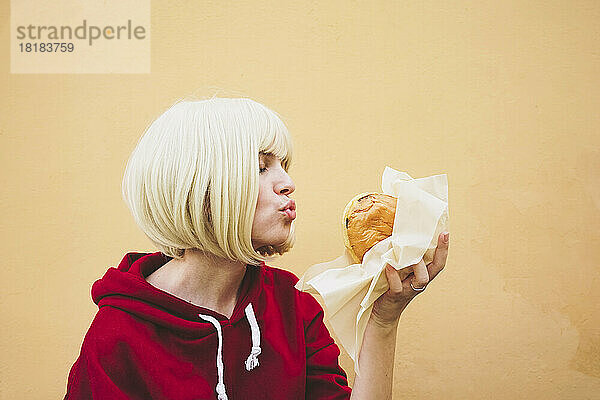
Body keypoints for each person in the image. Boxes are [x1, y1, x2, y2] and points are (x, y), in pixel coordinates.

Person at [63, 97, 449, 400]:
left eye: (284, 165)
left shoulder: (293, 306)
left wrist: (383, 322)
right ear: (201, 189)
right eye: (261, 167)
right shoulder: (118, 336)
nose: (287, 182)